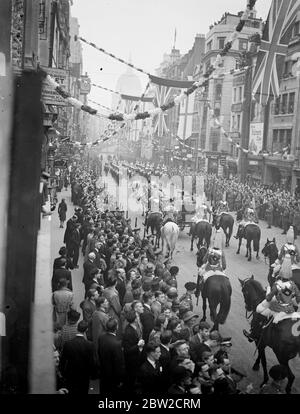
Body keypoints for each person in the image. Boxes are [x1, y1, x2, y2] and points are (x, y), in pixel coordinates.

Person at [60, 321, 96, 395]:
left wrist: (63, 374)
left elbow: (63, 361)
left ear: (77, 328)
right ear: (86, 330)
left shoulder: (68, 344)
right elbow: (92, 362)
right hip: (84, 376)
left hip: (71, 375)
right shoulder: (90, 345)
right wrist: (93, 375)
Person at [97, 318, 125, 394]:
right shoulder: (117, 344)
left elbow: (99, 352)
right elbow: (118, 363)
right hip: (113, 376)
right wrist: (120, 379)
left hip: (103, 371)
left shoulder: (101, 337)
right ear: (116, 327)